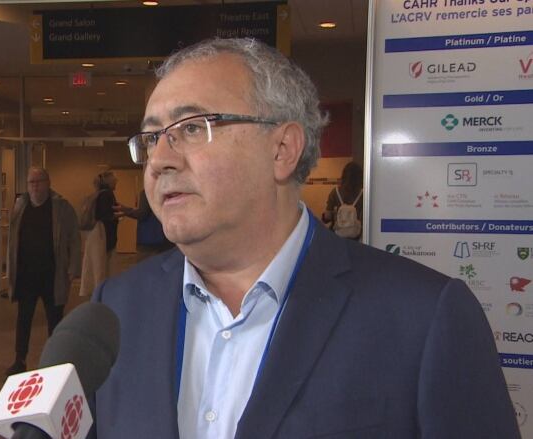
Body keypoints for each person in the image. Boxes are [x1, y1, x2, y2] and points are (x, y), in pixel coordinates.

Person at [90, 38, 518, 438]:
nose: (159, 160)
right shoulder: (114, 310)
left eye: (191, 127)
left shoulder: (423, 318)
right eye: (150, 138)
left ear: (282, 149)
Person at [5, 167, 81, 375]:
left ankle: (56, 361)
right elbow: (12, 241)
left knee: (55, 319)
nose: (35, 186)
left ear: (48, 183)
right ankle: (19, 359)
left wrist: (73, 267)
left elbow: (74, 238)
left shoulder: (61, 207)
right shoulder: (20, 206)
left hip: (52, 274)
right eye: (31, 182)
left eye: (39, 181)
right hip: (26, 275)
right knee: (23, 319)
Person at [79, 171, 119, 297]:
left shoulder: (98, 194)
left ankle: (97, 291)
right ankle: (101, 292)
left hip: (95, 233)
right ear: (108, 182)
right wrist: (118, 215)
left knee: (96, 265)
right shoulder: (107, 195)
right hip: (103, 234)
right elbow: (105, 215)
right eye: (114, 180)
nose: (116, 182)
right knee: (101, 267)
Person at [115, 189, 174, 262]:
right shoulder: (168, 191)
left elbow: (142, 214)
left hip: (149, 238)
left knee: (146, 266)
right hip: (166, 237)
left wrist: (125, 210)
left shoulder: (147, 192)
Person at [322, 161, 363, 240]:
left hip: (338, 237)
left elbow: (327, 216)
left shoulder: (335, 192)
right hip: (356, 237)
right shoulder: (363, 195)